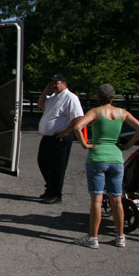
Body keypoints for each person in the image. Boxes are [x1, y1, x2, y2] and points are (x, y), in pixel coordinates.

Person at [60, 84, 139, 248]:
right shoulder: (122, 113)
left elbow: (78, 126)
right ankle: (120, 236)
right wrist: (128, 145)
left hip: (97, 157)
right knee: (117, 200)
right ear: (113, 97)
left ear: (98, 97)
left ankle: (93, 237)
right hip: (116, 158)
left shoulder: (95, 112)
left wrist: (84, 144)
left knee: (96, 201)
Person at [37, 74, 84, 204]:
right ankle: (50, 188)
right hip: (48, 137)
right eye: (51, 83)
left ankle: (56, 194)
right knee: (43, 162)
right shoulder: (53, 97)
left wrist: (65, 132)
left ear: (63, 83)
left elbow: (78, 118)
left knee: (58, 166)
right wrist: (46, 90)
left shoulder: (70, 98)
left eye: (55, 83)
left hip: (60, 137)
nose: (53, 86)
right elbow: (40, 105)